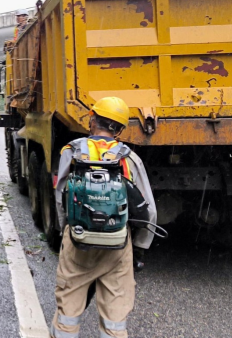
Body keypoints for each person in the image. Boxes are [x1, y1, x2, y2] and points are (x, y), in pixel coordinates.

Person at [50, 97, 157, 338]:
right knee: (115, 319)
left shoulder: (72, 151)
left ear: (92, 119)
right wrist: (139, 246)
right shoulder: (129, 158)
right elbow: (148, 210)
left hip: (78, 240)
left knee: (68, 311)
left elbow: (61, 197)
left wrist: (66, 230)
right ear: (119, 129)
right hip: (117, 242)